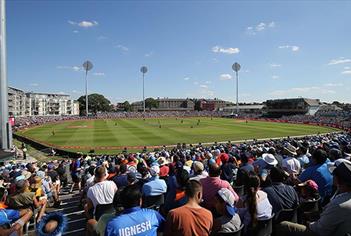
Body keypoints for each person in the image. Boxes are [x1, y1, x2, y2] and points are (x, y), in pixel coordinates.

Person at [276, 160, 351, 236]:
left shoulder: (339, 204)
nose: (332, 176)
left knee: (284, 225)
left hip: (319, 232)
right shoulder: (342, 194)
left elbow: (319, 230)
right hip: (326, 225)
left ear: (339, 179)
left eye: (334, 174)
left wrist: (308, 223)